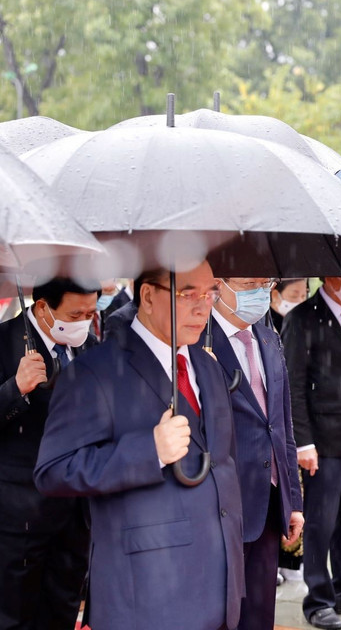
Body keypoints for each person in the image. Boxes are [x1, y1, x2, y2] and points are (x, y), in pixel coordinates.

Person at [34, 261, 245, 630]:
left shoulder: (208, 365)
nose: (203, 306)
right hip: (145, 593)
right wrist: (148, 451)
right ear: (147, 296)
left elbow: (222, 463)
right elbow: (53, 471)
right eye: (188, 293)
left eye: (211, 292)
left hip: (219, 584)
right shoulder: (94, 373)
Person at [0, 277, 98, 630]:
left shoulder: (92, 348)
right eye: (75, 315)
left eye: (90, 313)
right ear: (42, 307)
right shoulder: (4, 342)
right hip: (18, 514)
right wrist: (15, 389)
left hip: (74, 512)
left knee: (62, 608)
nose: (82, 323)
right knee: (14, 614)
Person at [211, 277, 304, 630]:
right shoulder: (200, 342)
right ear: (220, 285)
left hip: (268, 501)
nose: (260, 292)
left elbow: (282, 425)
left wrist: (292, 500)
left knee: (260, 614)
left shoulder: (268, 337)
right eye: (250, 283)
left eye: (265, 283)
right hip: (221, 504)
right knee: (220, 613)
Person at [282, 275, 341, 630]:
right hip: (322, 441)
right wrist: (303, 443)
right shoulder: (303, 317)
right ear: (332, 276)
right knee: (321, 521)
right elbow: (294, 383)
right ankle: (318, 597)